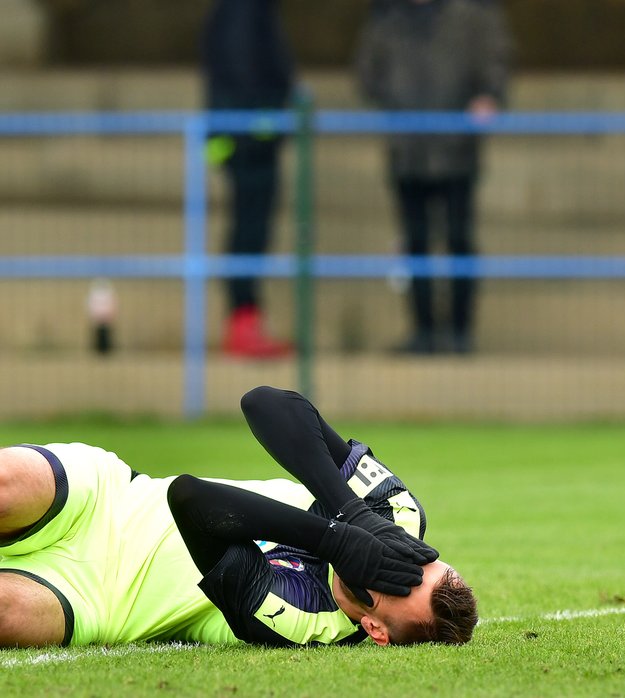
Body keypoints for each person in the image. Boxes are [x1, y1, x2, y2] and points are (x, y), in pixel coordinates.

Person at [0, 386, 477, 648]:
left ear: (375, 630)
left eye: (393, 583)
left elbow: (194, 501)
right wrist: (353, 511)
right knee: (8, 486)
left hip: (101, 603)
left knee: (8, 613)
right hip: (111, 497)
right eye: (413, 563)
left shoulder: (306, 624)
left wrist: (334, 539)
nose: (393, 561)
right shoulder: (395, 514)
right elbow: (267, 403)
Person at [355, 0, 512, 354]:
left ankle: (459, 332)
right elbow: (367, 75)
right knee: (415, 243)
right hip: (407, 151)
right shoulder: (386, 20)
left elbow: (496, 66)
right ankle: (424, 331)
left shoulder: (473, 17)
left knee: (458, 239)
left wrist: (488, 97)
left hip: (456, 150)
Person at [203, 0, 295, 358]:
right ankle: (244, 325)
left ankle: (246, 321)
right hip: (250, 141)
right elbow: (245, 71)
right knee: (250, 230)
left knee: (249, 229)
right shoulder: (245, 9)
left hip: (242, 137)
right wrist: (269, 119)